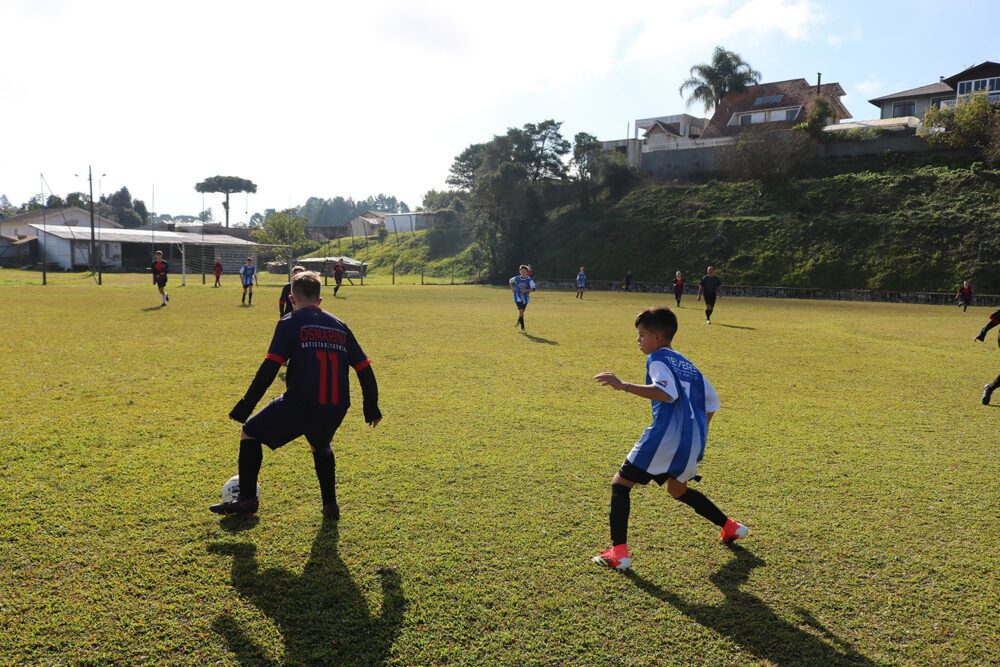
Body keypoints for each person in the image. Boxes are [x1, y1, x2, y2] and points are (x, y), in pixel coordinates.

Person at [210, 271, 382, 517]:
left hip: (299, 402)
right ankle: (330, 505)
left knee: (249, 432)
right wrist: (371, 406)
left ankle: (247, 499)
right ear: (320, 300)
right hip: (336, 405)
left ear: (292, 298)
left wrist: (246, 405)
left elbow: (270, 367)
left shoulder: (289, 322)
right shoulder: (340, 325)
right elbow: (364, 367)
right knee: (320, 444)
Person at [591, 306, 747, 571]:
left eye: (642, 334)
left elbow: (666, 393)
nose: (638, 340)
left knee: (620, 485)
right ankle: (731, 527)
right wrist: (696, 433)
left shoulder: (658, 359)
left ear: (659, 337)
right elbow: (712, 402)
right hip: (692, 441)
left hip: (665, 438)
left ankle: (619, 554)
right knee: (677, 489)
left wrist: (623, 385)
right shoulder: (688, 364)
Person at [509, 264, 536, 331]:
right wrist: (512, 288)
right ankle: (523, 328)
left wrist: (526, 290)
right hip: (517, 297)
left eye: (524, 272)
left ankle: (519, 320)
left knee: (522, 313)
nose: (523, 273)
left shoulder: (529, 280)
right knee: (521, 312)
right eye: (522, 271)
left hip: (525, 299)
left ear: (527, 272)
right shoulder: (516, 278)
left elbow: (533, 289)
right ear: (520, 272)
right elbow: (510, 281)